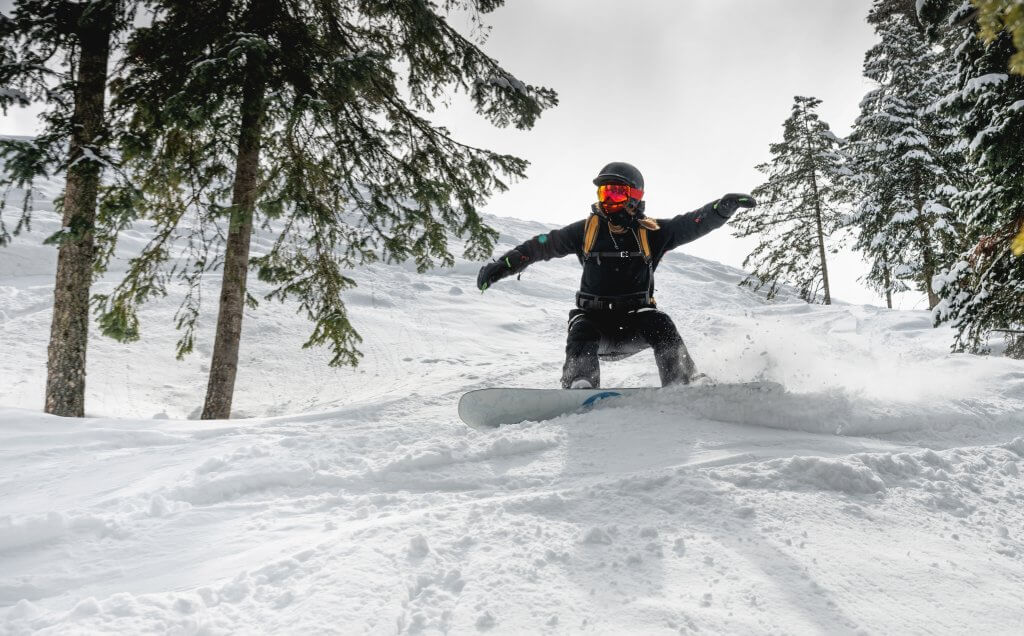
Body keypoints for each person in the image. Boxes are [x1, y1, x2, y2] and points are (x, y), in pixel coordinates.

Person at [476, 161, 756, 389]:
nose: (608, 200)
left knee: (661, 323)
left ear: (634, 197)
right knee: (581, 327)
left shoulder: (652, 232)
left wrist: (720, 210)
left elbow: (691, 224)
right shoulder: (586, 230)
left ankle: (682, 382)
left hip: (635, 324)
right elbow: (540, 246)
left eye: (616, 193)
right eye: (604, 193)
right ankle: (580, 384)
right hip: (597, 328)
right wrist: (504, 265)